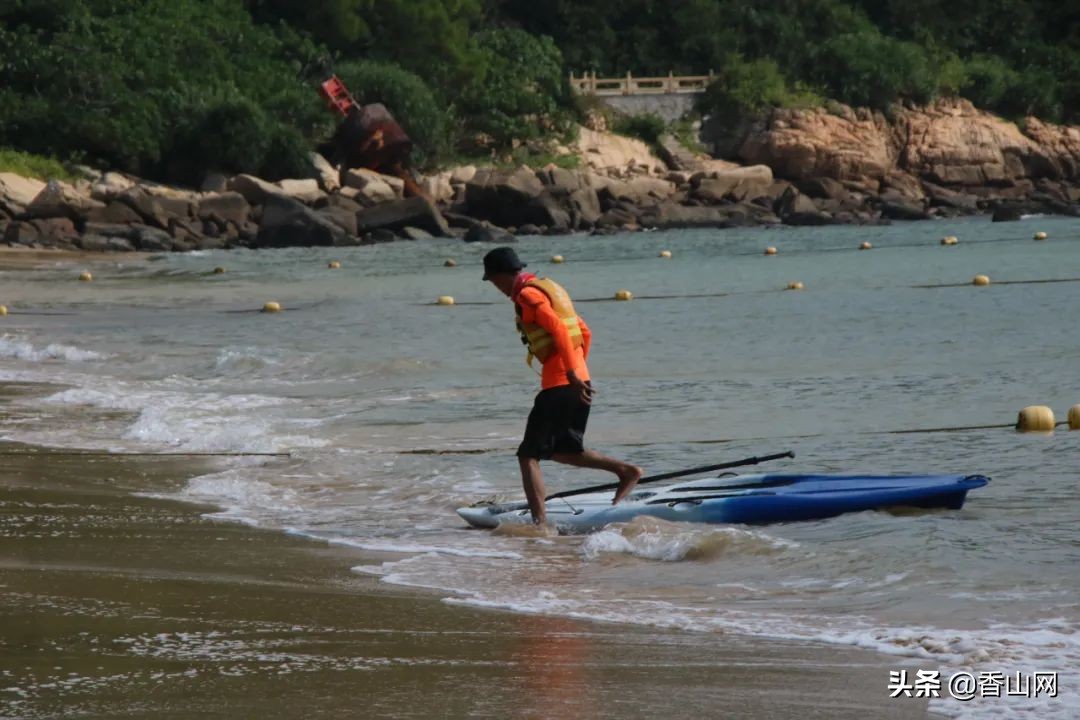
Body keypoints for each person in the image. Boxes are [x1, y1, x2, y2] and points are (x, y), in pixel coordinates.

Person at [482, 247, 643, 525]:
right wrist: (580, 370)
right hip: (577, 380)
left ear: (506, 275)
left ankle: (540, 525)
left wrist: (569, 372)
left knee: (528, 455)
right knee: (565, 452)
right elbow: (584, 330)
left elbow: (557, 328)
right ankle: (626, 470)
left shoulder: (527, 295)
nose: (497, 288)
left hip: (562, 382)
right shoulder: (548, 288)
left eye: (495, 281)